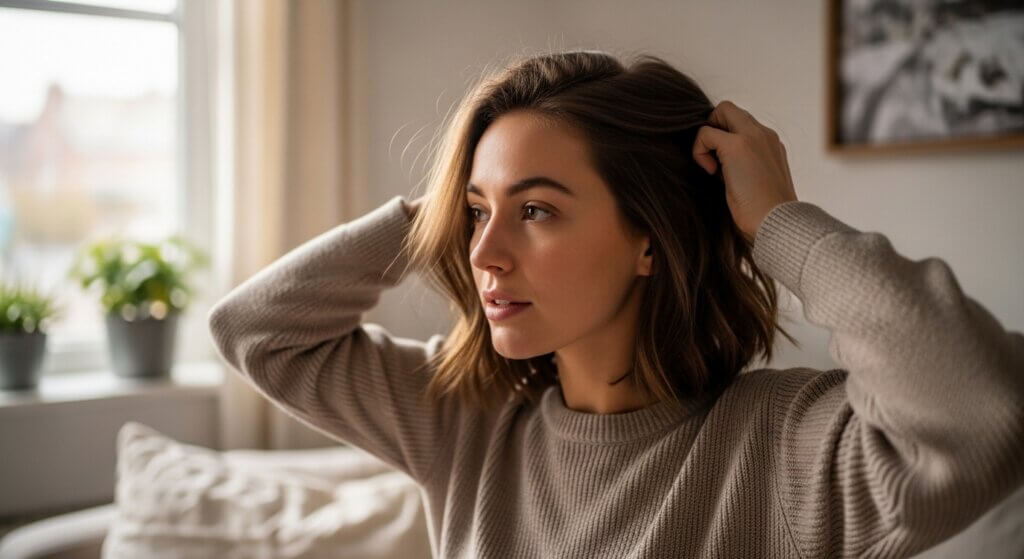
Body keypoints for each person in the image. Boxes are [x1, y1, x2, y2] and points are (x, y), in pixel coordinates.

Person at [208, 50, 1024, 558]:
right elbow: (256, 330)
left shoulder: (788, 449)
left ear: (648, 240)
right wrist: (433, 210)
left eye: (535, 211)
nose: (483, 254)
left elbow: (985, 405)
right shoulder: (466, 424)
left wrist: (780, 223)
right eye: (475, 214)